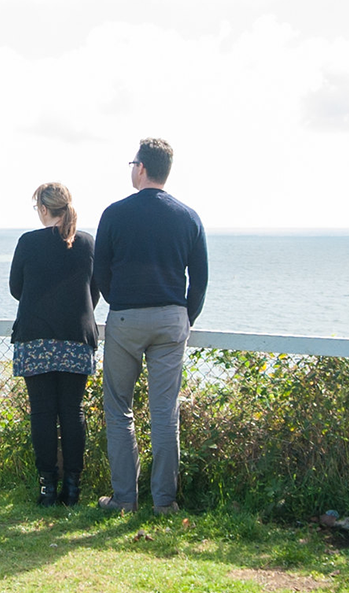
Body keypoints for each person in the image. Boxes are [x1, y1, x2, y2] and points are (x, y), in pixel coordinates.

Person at [93, 138, 208, 515]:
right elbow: (200, 278)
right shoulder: (188, 216)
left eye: (132, 163)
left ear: (141, 168)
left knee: (119, 409)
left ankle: (125, 499)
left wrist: (120, 304)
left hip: (127, 319)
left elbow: (100, 274)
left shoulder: (114, 213)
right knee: (164, 412)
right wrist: (184, 317)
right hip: (172, 319)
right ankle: (165, 502)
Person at [9, 182, 100, 507]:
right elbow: (95, 291)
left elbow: (16, 288)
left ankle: (48, 487)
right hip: (77, 336)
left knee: (43, 413)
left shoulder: (28, 242)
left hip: (36, 337)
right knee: (72, 412)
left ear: (44, 209)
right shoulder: (88, 242)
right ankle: (73, 488)